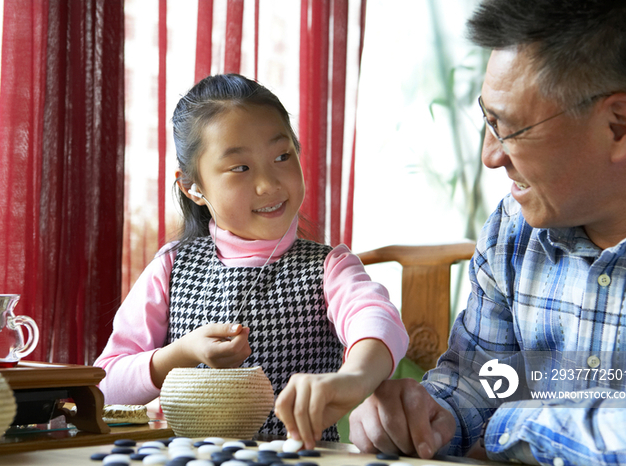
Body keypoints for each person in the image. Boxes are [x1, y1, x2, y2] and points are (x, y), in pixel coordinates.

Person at [348, 1, 626, 465]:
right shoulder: (515, 230)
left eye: (508, 128)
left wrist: (513, 426)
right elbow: (486, 378)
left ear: (618, 127)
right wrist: (430, 414)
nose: (491, 155)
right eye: (487, 119)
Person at [94, 73, 408, 447]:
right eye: (240, 168)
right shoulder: (171, 267)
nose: (269, 184)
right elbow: (103, 387)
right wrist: (179, 354)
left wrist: (354, 377)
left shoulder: (329, 268)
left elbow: (377, 319)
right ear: (192, 187)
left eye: (282, 156)